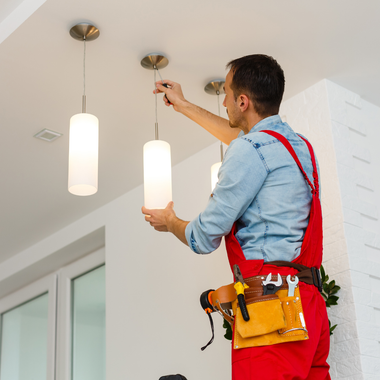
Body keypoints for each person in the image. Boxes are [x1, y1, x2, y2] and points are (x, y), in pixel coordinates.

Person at [142, 54, 330, 380]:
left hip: (272, 305)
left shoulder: (250, 151)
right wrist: (184, 105)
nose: (224, 100)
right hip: (310, 306)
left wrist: (170, 221)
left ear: (242, 101)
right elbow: (247, 143)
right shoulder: (298, 147)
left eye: (227, 93)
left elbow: (202, 238)